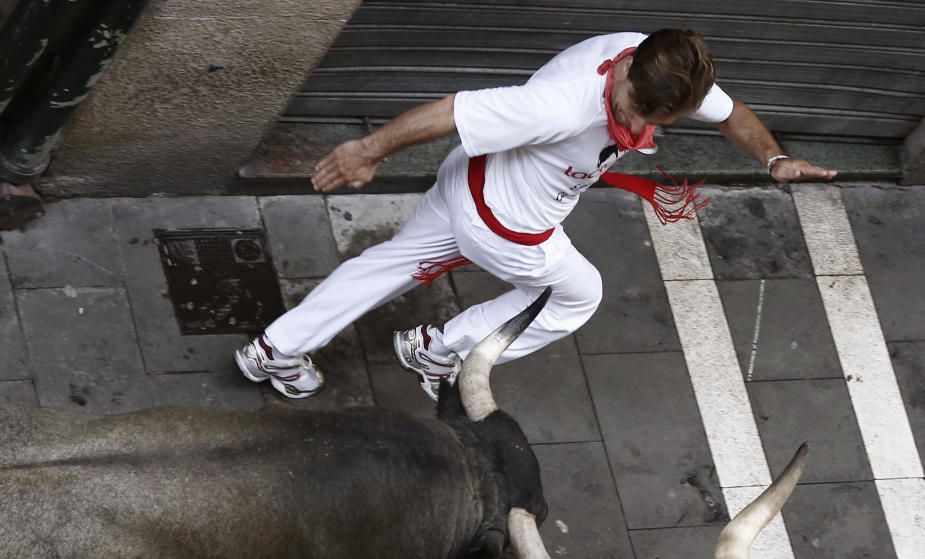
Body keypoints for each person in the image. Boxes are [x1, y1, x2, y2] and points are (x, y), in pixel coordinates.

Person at [235, 28, 836, 401]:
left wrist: (775, 159)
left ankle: (273, 350)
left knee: (387, 264)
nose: (636, 125)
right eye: (632, 112)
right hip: (507, 224)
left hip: (469, 183)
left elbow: (731, 114)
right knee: (578, 295)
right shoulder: (559, 106)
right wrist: (365, 151)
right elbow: (452, 110)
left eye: (652, 121)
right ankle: (438, 348)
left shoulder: (664, 66)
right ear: (628, 76)